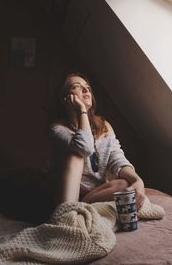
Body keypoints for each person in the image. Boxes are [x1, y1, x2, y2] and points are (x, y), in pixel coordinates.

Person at [49, 72, 145, 210]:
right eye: (77, 86)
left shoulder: (104, 126)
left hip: (95, 193)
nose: (85, 89)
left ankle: (83, 206)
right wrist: (81, 110)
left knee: (124, 184)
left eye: (87, 87)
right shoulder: (56, 128)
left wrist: (138, 180)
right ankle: (67, 212)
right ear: (65, 98)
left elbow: (117, 159)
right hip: (65, 195)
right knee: (75, 156)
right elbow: (85, 147)